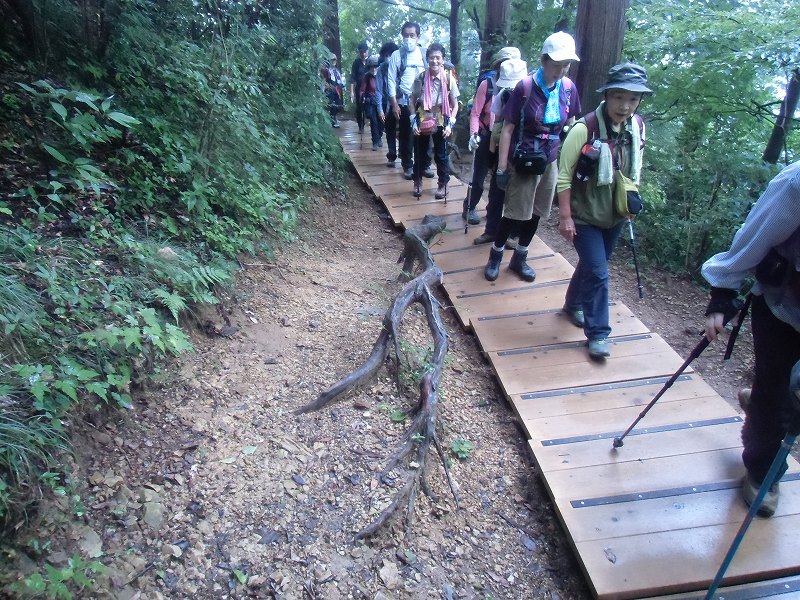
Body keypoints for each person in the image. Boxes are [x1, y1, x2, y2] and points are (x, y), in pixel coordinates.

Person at [701, 160, 800, 518]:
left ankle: (758, 405)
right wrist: (723, 292)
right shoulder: (796, 183)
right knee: (777, 394)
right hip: (783, 310)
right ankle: (762, 472)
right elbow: (755, 237)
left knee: (783, 399)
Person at [557, 63, 650, 360]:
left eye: (633, 99)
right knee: (598, 272)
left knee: (591, 265)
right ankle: (598, 333)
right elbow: (563, 176)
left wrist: (631, 201)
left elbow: (635, 168)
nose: (625, 106)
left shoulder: (636, 128)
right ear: (607, 95)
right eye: (619, 97)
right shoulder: (584, 129)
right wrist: (565, 216)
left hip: (615, 214)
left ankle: (573, 304)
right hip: (585, 215)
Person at [485, 32, 581, 284]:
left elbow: (571, 124)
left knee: (537, 212)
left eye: (566, 65)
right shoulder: (525, 87)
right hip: (523, 159)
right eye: (557, 64)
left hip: (549, 161)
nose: (561, 70)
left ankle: (520, 257)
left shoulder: (568, 89)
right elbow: (507, 129)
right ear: (544, 60)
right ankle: (495, 255)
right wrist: (502, 168)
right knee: (514, 212)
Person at [463, 47, 521, 227]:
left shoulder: (521, 87)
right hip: (485, 135)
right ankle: (470, 207)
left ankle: (493, 212)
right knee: (479, 177)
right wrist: (473, 134)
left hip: (507, 138)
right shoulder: (487, 85)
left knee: (499, 178)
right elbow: (475, 113)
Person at [472, 53, 526, 245]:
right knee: (496, 192)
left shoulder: (533, 96)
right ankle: (491, 231)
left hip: (524, 152)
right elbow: (498, 125)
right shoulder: (503, 95)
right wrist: (493, 155)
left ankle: (513, 235)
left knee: (518, 196)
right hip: (502, 151)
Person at [410, 43, 459, 199]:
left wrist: (450, 124)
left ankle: (443, 184)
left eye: (438, 58)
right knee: (420, 152)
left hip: (441, 116)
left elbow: (455, 105)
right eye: (431, 58)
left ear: (443, 59)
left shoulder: (449, 79)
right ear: (427, 59)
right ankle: (417, 181)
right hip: (423, 116)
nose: (435, 61)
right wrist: (413, 121)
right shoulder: (420, 78)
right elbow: (412, 100)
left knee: (441, 154)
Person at [386, 22, 433, 181]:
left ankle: (425, 164)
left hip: (424, 101)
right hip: (404, 100)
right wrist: (394, 103)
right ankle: (407, 165)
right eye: (406, 35)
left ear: (418, 36)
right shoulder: (397, 55)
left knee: (427, 132)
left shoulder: (425, 54)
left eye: (412, 35)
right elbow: (391, 79)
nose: (408, 38)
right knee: (407, 134)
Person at [376, 42, 399, 166]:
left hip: (402, 102)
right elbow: (378, 90)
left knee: (405, 130)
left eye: (390, 55)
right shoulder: (382, 69)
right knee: (389, 129)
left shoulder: (401, 66)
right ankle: (392, 156)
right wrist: (380, 109)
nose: (388, 57)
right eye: (386, 55)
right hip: (388, 104)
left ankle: (405, 156)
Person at [359, 55, 383, 150]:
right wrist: (362, 97)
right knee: (374, 122)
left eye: (375, 66)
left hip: (381, 101)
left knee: (381, 121)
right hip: (371, 102)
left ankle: (379, 137)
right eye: (372, 66)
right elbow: (362, 89)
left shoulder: (381, 75)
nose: (374, 68)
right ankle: (375, 142)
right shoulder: (367, 77)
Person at [350, 41, 369, 133]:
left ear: (367, 51)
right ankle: (361, 126)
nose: (363, 54)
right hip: (359, 89)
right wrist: (352, 92)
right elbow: (352, 77)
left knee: (370, 107)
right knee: (360, 108)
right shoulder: (356, 63)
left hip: (370, 89)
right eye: (361, 52)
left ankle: (372, 124)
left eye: (364, 52)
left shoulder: (370, 61)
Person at [321, 53, 345, 128]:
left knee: (338, 105)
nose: (334, 61)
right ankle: (333, 121)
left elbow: (340, 80)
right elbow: (323, 80)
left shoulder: (336, 70)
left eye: (335, 60)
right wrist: (322, 90)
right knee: (332, 106)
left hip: (336, 90)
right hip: (329, 90)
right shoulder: (326, 70)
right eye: (332, 60)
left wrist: (342, 84)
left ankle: (333, 118)